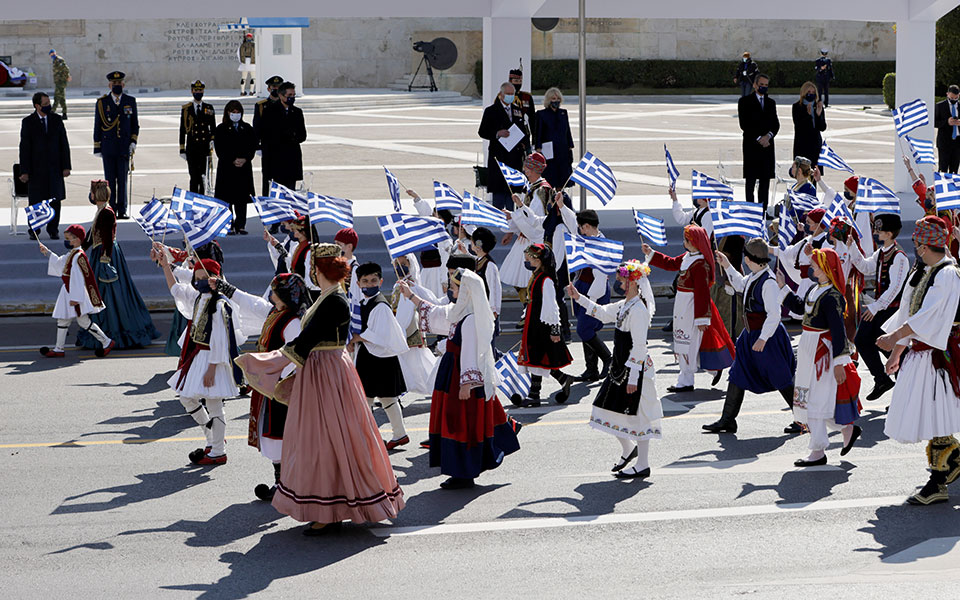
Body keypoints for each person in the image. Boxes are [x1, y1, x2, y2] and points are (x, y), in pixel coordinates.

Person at [235, 243, 404, 534]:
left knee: (327, 438)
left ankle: (331, 508)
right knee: (324, 437)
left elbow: (305, 341)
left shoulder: (335, 301)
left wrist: (264, 362)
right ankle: (333, 506)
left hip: (328, 373)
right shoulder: (327, 296)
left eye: (313, 265)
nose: (311, 270)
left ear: (319, 269)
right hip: (322, 371)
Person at [400, 268, 521, 489]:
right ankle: (461, 471)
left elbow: (471, 353)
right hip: (452, 373)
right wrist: (410, 295)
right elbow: (436, 312)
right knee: (456, 422)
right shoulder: (460, 312)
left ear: (465, 291)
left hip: (460, 376)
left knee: (460, 423)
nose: (451, 291)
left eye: (454, 288)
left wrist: (466, 383)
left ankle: (464, 474)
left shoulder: (470, 319)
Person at [878, 216, 960, 505]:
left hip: (939, 356)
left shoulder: (947, 275)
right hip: (922, 353)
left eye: (917, 244)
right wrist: (897, 352)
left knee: (937, 415)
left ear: (924, 246)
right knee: (934, 415)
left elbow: (928, 317)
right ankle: (949, 467)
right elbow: (907, 312)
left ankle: (938, 483)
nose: (915, 248)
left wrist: (894, 339)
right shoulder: (923, 271)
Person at [567, 260, 661, 479]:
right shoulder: (624, 305)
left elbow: (639, 346)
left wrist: (634, 378)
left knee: (640, 415)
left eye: (623, 280)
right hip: (620, 368)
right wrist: (578, 297)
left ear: (634, 282)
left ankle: (643, 464)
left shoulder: (638, 310)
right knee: (604, 409)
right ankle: (629, 449)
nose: (619, 282)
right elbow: (601, 312)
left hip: (633, 370)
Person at [222, 273, 308, 501]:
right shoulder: (276, 313)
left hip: (282, 390)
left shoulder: (292, 322)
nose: (270, 295)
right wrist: (227, 289)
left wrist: (276, 378)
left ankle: (289, 487)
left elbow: (295, 356)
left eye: (274, 291)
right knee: (273, 435)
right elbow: (253, 303)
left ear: (285, 295)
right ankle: (283, 484)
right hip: (270, 387)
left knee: (281, 435)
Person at [702, 238, 799, 434]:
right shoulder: (756, 275)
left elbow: (774, 314)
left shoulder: (769, 282)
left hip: (767, 338)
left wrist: (763, 338)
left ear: (748, 259)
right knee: (737, 374)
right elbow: (739, 284)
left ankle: (803, 418)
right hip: (750, 336)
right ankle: (728, 419)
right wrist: (727, 265)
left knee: (782, 378)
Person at [779, 248, 861, 467]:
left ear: (827, 268)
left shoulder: (832, 296)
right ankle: (846, 428)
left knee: (813, 400)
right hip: (808, 347)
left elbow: (838, 331)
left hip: (821, 354)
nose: (812, 267)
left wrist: (839, 363)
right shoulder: (815, 289)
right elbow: (799, 309)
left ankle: (818, 450)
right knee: (808, 398)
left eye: (815, 264)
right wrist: (783, 288)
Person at [161, 255, 244, 466]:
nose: (199, 281)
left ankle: (218, 450)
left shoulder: (218, 303)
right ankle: (213, 438)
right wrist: (165, 266)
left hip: (212, 359)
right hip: (199, 356)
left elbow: (219, 338)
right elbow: (176, 290)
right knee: (187, 398)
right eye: (196, 277)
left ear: (216, 278)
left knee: (214, 402)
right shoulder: (200, 297)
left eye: (204, 277)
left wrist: (212, 368)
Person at [644, 225, 735, 393]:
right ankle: (710, 369)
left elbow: (702, 293)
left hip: (691, 307)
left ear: (695, 243)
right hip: (682, 305)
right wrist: (652, 253)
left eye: (687, 240)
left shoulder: (700, 264)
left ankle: (686, 380)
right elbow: (670, 263)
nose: (684, 242)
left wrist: (701, 319)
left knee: (688, 343)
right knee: (684, 341)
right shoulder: (688, 257)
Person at [78, 180, 158, 350]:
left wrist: (105, 259)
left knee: (109, 294)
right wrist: (79, 249)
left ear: (95, 194)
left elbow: (106, 237)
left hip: (105, 256)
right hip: (101, 253)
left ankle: (110, 333)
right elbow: (93, 237)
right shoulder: (102, 210)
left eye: (91, 192)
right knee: (104, 293)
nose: (90, 196)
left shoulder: (106, 212)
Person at [847, 213, 908, 401]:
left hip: (893, 310)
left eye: (879, 230)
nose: (875, 232)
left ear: (889, 233)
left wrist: (876, 307)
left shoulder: (899, 257)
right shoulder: (881, 252)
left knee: (885, 344)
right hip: (880, 308)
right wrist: (853, 248)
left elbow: (896, 287)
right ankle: (881, 378)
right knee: (863, 339)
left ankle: (902, 389)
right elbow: (865, 267)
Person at [349, 262, 410, 450]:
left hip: (379, 358)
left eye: (373, 280)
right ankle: (399, 434)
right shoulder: (364, 303)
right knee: (385, 398)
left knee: (370, 399)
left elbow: (382, 335)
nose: (369, 284)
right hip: (372, 357)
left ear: (381, 281)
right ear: (358, 283)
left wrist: (358, 337)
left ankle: (366, 438)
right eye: (365, 281)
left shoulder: (380, 305)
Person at [37, 224, 114, 359]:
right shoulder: (73, 254)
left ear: (77, 239)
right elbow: (60, 262)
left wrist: (76, 297)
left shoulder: (79, 256)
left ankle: (106, 342)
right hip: (69, 291)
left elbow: (80, 278)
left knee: (81, 321)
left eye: (69, 238)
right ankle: (59, 348)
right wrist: (47, 252)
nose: (67, 241)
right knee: (64, 320)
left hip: (74, 293)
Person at [516, 243, 574, 407]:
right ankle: (562, 379)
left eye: (531, 256)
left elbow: (552, 306)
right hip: (534, 322)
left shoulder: (545, 280)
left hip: (542, 324)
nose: (528, 259)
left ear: (539, 260)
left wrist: (555, 329)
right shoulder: (536, 275)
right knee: (539, 358)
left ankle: (534, 395)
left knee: (538, 357)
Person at [19, 91, 70, 240]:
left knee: (55, 199)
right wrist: (24, 171)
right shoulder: (28, 122)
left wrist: (66, 166)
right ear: (37, 106)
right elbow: (24, 148)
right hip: (36, 170)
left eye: (49, 103)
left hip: (55, 168)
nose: (49, 106)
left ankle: (53, 229)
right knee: (36, 200)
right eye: (46, 104)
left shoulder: (56, 120)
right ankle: (35, 229)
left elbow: (64, 144)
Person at [500, 153, 550, 304]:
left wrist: (514, 216)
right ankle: (527, 310)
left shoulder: (542, 190)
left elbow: (534, 220)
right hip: (525, 237)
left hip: (533, 240)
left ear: (533, 169)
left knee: (529, 280)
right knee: (519, 280)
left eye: (527, 167)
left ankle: (530, 310)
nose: (524, 170)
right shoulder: (532, 187)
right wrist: (511, 228)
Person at [571, 209, 612, 382]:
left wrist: (591, 301)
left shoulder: (599, 244)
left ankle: (608, 358)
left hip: (594, 291)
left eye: (581, 228)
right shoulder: (589, 239)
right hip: (583, 287)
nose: (580, 231)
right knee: (584, 328)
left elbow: (600, 277)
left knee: (584, 328)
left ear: (587, 226)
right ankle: (591, 369)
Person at [389, 253, 439, 398]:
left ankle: (433, 384)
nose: (399, 267)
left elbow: (410, 307)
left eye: (403, 264)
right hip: (401, 325)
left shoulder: (410, 285)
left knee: (417, 359)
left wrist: (400, 329)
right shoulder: (398, 284)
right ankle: (401, 388)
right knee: (409, 360)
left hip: (408, 326)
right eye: (397, 264)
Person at [93, 71, 138, 219]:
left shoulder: (130, 101)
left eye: (119, 83)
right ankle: (110, 208)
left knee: (123, 180)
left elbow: (135, 125)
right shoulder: (102, 103)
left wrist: (133, 141)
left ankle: (122, 209)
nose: (117, 86)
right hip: (108, 147)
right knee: (110, 180)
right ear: (109, 85)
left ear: (123, 84)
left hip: (124, 146)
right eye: (114, 84)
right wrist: (97, 146)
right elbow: (98, 125)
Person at [478, 82, 527, 210]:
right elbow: (482, 131)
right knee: (499, 193)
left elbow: (523, 130)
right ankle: (499, 218)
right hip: (499, 156)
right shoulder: (491, 111)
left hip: (514, 157)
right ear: (501, 95)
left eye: (512, 94)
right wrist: (497, 133)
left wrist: (523, 142)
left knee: (512, 192)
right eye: (508, 94)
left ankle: (512, 219)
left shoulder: (517, 110)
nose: (510, 96)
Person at [738, 73, 779, 212]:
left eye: (766, 85)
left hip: (767, 147)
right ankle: (750, 211)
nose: (764, 87)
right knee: (750, 181)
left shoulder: (771, 103)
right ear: (755, 85)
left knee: (765, 182)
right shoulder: (744, 102)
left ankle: (763, 211)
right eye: (761, 85)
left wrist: (768, 136)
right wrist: (759, 138)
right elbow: (744, 124)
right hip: (751, 146)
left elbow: (775, 124)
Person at [214, 100, 256, 235]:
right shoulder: (221, 129)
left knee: (241, 198)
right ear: (228, 113)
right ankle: (229, 225)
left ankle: (241, 225)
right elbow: (220, 149)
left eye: (238, 112)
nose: (236, 115)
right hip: (227, 168)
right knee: (227, 199)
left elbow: (252, 146)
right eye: (233, 112)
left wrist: (245, 158)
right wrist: (232, 159)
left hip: (243, 168)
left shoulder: (247, 128)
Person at [260, 81, 305, 191]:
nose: (292, 98)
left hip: (292, 159)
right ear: (281, 95)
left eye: (293, 95)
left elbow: (302, 135)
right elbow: (267, 134)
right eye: (289, 95)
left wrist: (291, 136)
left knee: (290, 192)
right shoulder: (269, 111)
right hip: (276, 160)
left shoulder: (297, 112)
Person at [178, 80, 216, 195]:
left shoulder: (208, 107)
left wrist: (213, 140)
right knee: (194, 177)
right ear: (192, 91)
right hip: (192, 148)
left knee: (203, 177)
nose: (198, 92)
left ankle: (202, 198)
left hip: (204, 148)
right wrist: (182, 148)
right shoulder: (186, 109)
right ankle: (193, 198)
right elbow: (182, 129)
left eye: (200, 90)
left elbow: (213, 127)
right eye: (196, 90)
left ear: (203, 91)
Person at [534, 87, 574, 189]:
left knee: (562, 181)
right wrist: (538, 149)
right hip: (548, 152)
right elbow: (538, 133)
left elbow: (567, 131)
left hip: (562, 150)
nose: (555, 101)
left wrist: (570, 146)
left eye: (557, 98)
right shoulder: (541, 114)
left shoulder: (563, 113)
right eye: (553, 98)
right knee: (549, 180)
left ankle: (560, 202)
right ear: (548, 100)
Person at [253, 75, 284, 200]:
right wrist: (258, 146)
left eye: (278, 87)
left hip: (282, 147)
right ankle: (267, 202)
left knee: (281, 178)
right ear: (268, 88)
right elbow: (256, 127)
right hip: (267, 147)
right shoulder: (261, 105)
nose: (275, 89)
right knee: (267, 177)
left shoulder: (284, 104)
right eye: (273, 87)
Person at [470, 227, 502, 344]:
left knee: (488, 344)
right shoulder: (479, 261)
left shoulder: (489, 265)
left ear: (478, 245)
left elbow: (494, 289)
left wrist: (493, 310)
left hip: (487, 311)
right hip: (479, 308)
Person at [792, 83, 827, 172]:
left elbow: (822, 127)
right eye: (808, 92)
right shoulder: (797, 106)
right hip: (802, 145)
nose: (811, 94)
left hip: (815, 145)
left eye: (813, 92)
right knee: (802, 174)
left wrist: (818, 115)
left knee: (814, 175)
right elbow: (799, 126)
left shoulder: (818, 106)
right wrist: (808, 115)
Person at [934, 85, 960, 174]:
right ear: (947, 94)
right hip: (944, 142)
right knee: (943, 169)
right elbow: (934, 123)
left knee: (954, 169)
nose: (954, 99)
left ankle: (953, 188)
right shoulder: (939, 106)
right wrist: (947, 122)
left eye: (956, 98)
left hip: (957, 143)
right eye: (952, 97)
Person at [509, 67, 536, 152]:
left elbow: (532, 118)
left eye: (520, 81)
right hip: (509, 134)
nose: (518, 84)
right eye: (516, 81)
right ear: (510, 81)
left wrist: (534, 138)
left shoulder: (526, 97)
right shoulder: (503, 96)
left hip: (524, 133)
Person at [49, 49, 70, 119]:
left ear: (54, 53)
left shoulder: (59, 60)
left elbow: (66, 69)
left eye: (52, 53)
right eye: (50, 54)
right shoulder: (55, 60)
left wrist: (67, 77)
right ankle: (64, 114)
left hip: (61, 81)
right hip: (58, 81)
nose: (51, 55)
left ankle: (52, 112)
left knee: (57, 96)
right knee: (61, 98)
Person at [238, 32, 256, 96]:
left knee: (243, 78)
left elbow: (239, 54)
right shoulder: (254, 45)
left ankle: (242, 92)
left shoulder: (243, 45)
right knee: (253, 78)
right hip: (252, 62)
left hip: (244, 62)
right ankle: (251, 91)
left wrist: (241, 61)